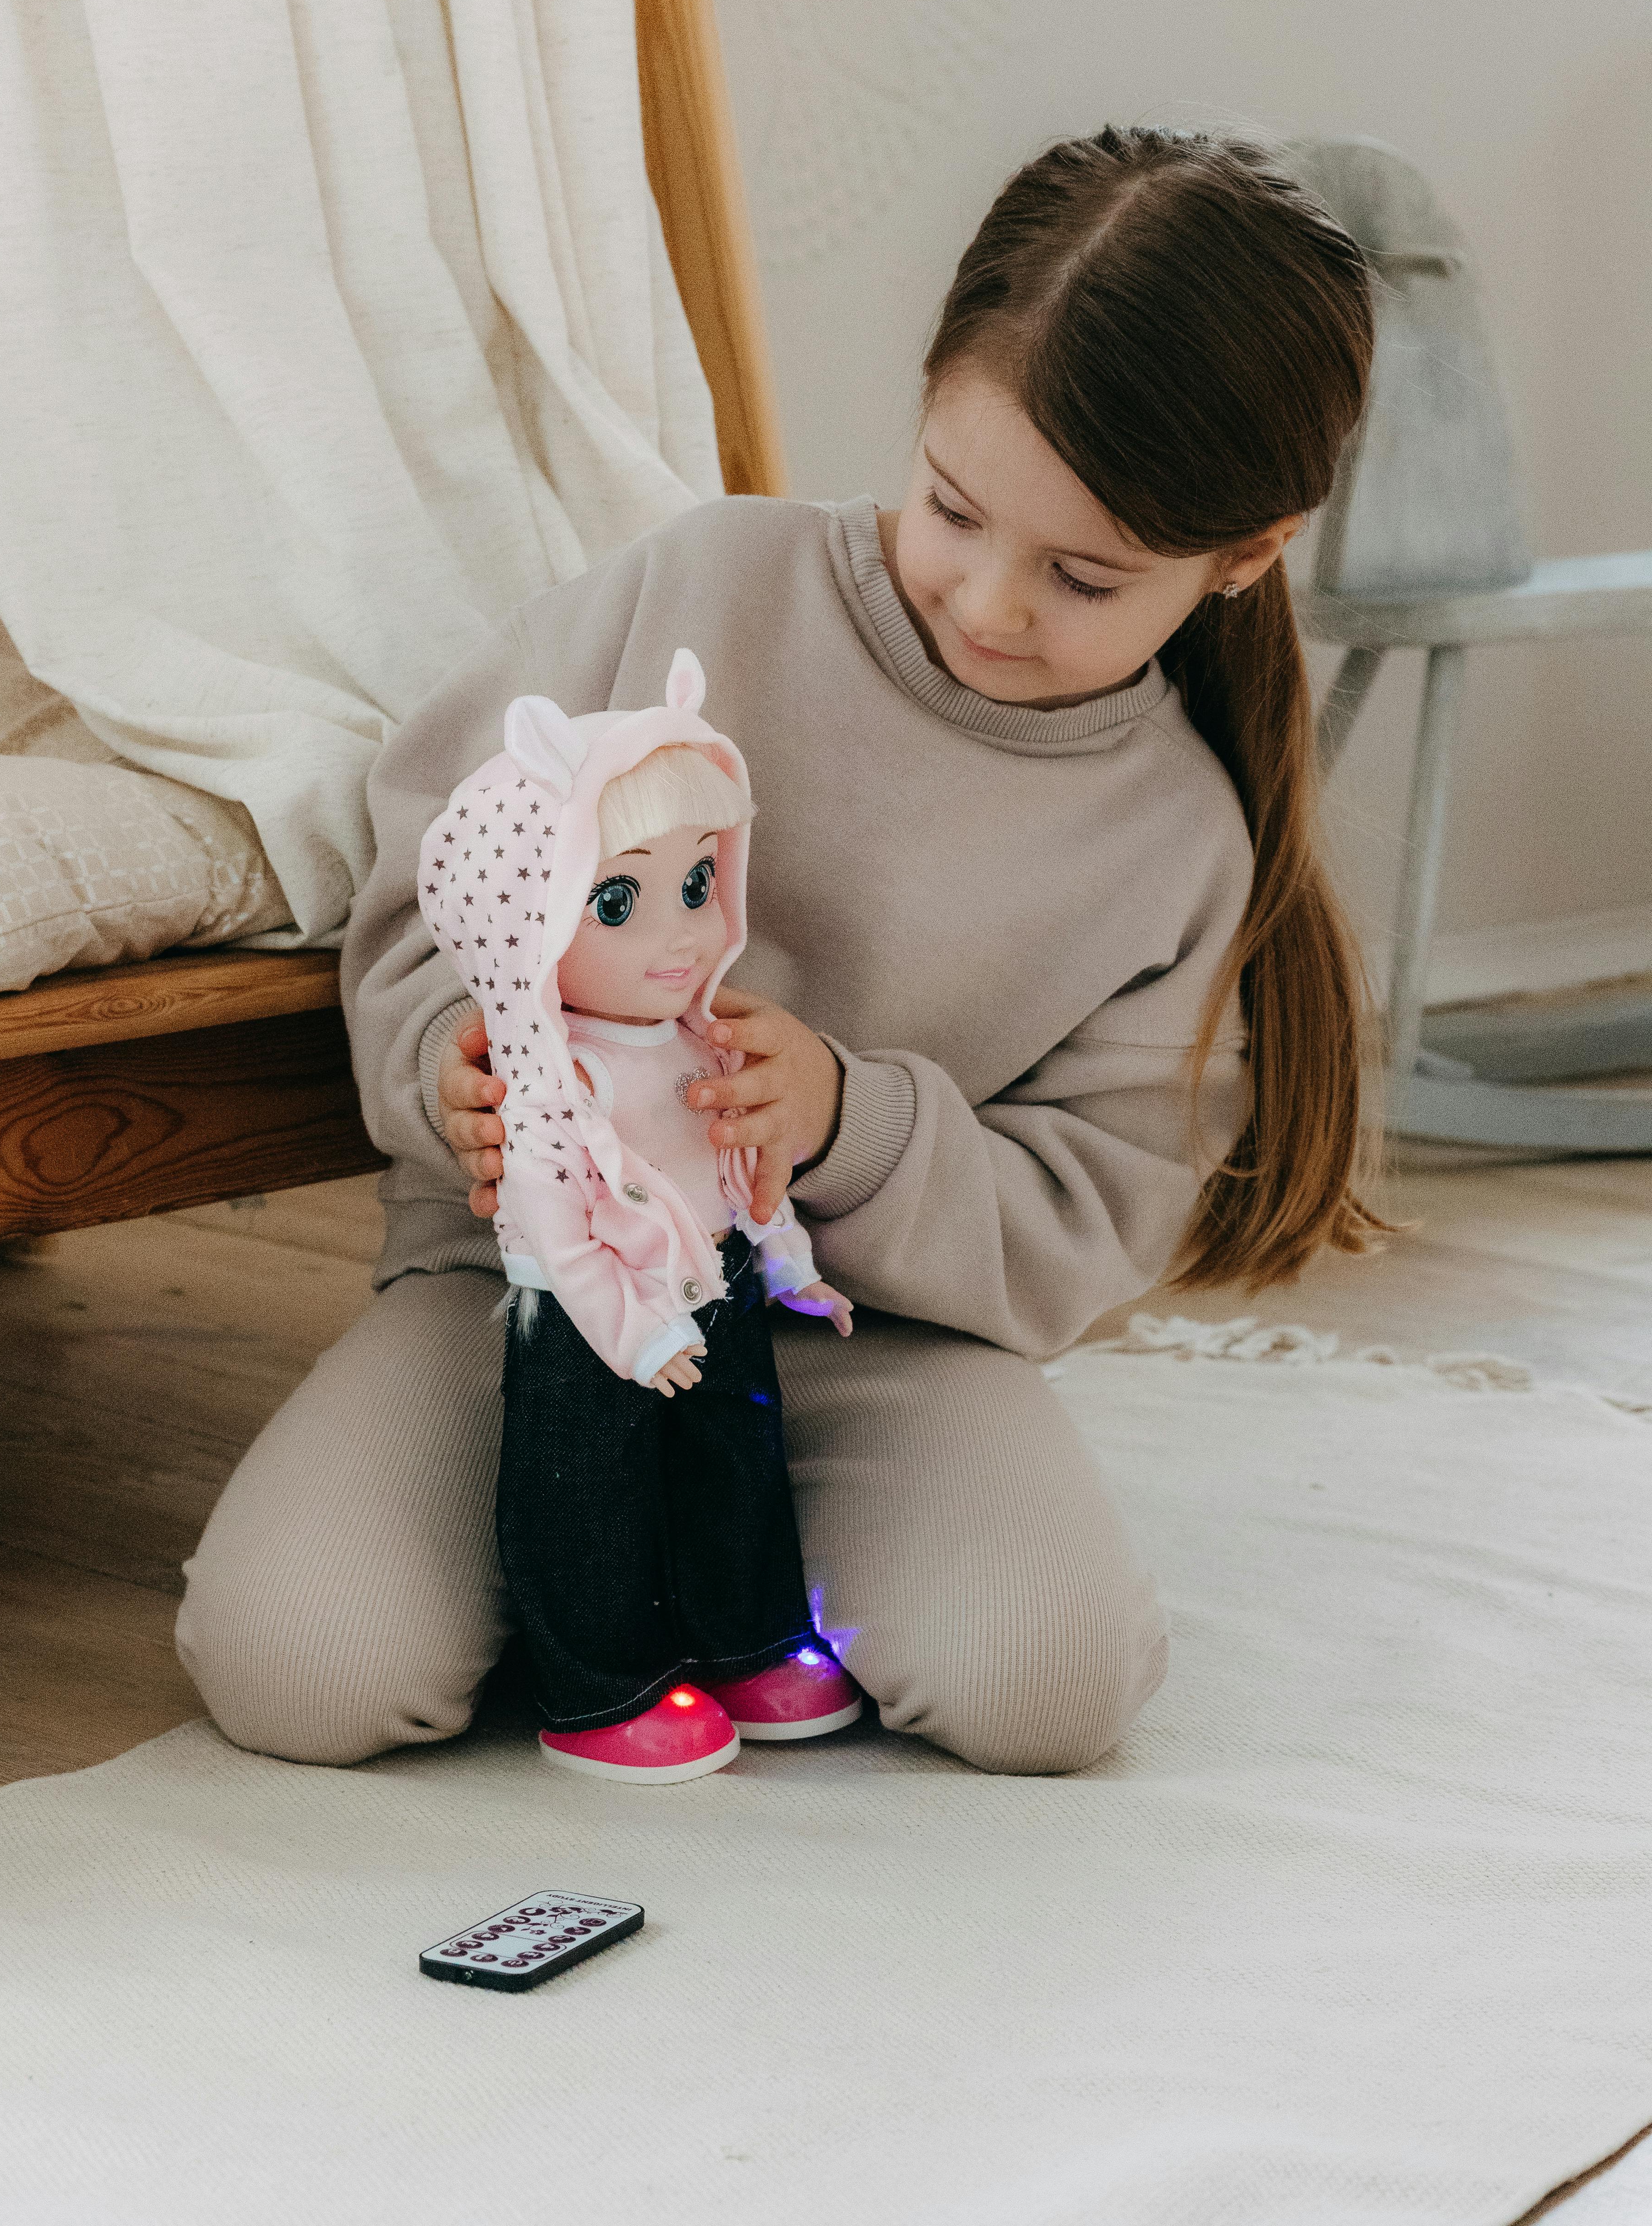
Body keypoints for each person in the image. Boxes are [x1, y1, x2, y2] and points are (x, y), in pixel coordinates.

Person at [177, 126, 1385, 1777]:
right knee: (304, 1665)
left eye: (1083, 576)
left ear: (1243, 555)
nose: (985, 602)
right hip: (526, 1300)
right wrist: (443, 1058)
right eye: (953, 508)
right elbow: (433, 868)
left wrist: (846, 1122)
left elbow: (1076, 1223)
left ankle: (687, 1575)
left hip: (859, 1341)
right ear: (922, 404)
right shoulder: (698, 585)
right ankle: (621, 1572)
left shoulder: (1171, 837)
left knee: (1044, 1684)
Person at [419, 654, 860, 1783]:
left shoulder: (705, 1038)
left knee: (736, 1461)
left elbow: (745, 1171)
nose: (682, 935)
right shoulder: (552, 1084)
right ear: (526, 923)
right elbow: (561, 1235)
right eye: (618, 900)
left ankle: (747, 1635)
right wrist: (635, 1330)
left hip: (716, 1283)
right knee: (587, 1487)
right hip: (592, 1315)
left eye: (701, 885)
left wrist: (786, 1253)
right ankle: (600, 1685)